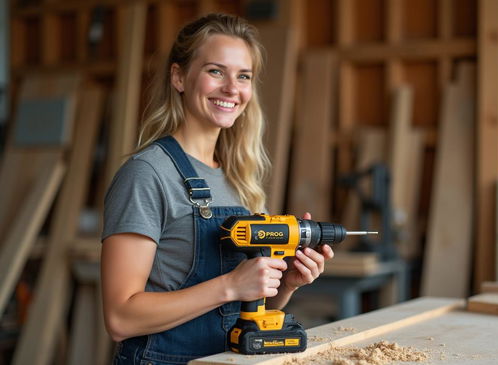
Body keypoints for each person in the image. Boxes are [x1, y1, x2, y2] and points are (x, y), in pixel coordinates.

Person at [100, 13, 334, 365]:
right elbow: (120, 318)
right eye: (215, 71)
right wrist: (231, 284)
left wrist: (285, 284)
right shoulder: (147, 174)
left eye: (243, 76)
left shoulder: (239, 179)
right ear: (179, 77)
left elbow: (242, 310)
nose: (231, 88)